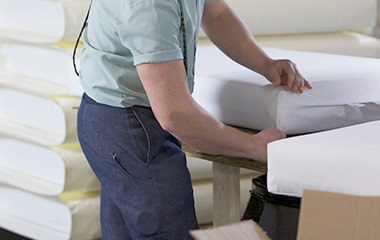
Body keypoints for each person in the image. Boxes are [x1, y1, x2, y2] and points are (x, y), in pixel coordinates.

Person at [76, 0, 312, 239]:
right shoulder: (149, 7)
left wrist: (264, 63)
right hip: (126, 125)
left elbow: (216, 13)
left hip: (119, 117)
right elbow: (175, 114)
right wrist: (254, 146)